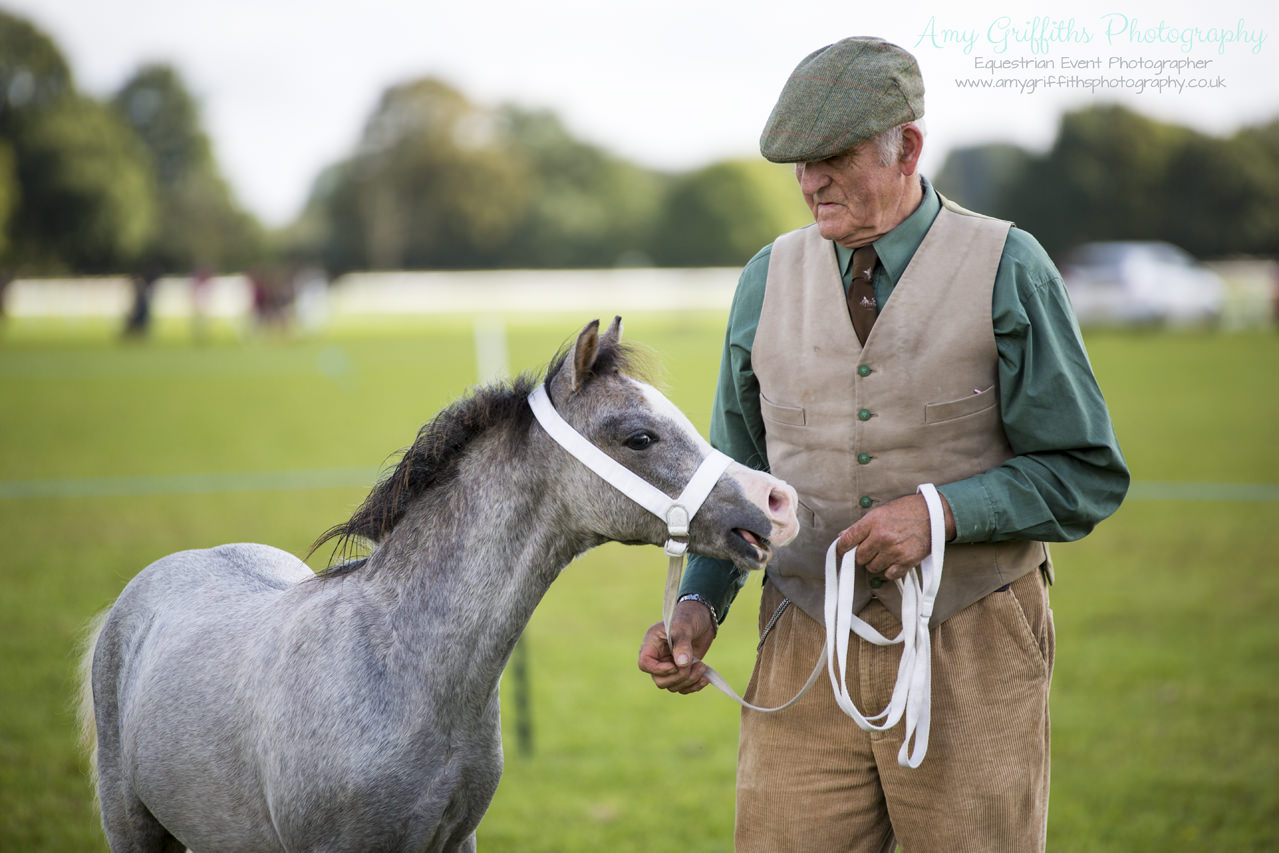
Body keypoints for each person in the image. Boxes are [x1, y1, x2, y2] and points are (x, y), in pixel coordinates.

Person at [637, 36, 1129, 852]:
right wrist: (696, 605)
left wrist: (940, 512)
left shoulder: (1010, 266)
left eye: (830, 158)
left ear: (906, 147)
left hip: (970, 640)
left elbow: (1085, 473)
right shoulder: (762, 278)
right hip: (797, 643)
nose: (808, 181)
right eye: (798, 163)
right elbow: (736, 478)